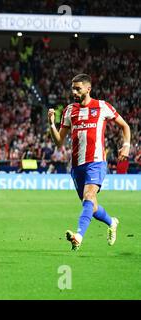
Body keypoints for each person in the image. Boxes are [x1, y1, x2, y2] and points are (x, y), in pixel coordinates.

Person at [48, 73, 131, 251]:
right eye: (73, 88)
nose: (74, 92)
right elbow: (59, 142)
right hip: (77, 166)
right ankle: (111, 221)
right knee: (91, 206)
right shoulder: (69, 110)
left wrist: (126, 145)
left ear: (88, 88)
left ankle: (78, 236)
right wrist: (52, 124)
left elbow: (125, 126)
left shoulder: (102, 106)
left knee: (89, 197)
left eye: (77, 88)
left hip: (96, 162)